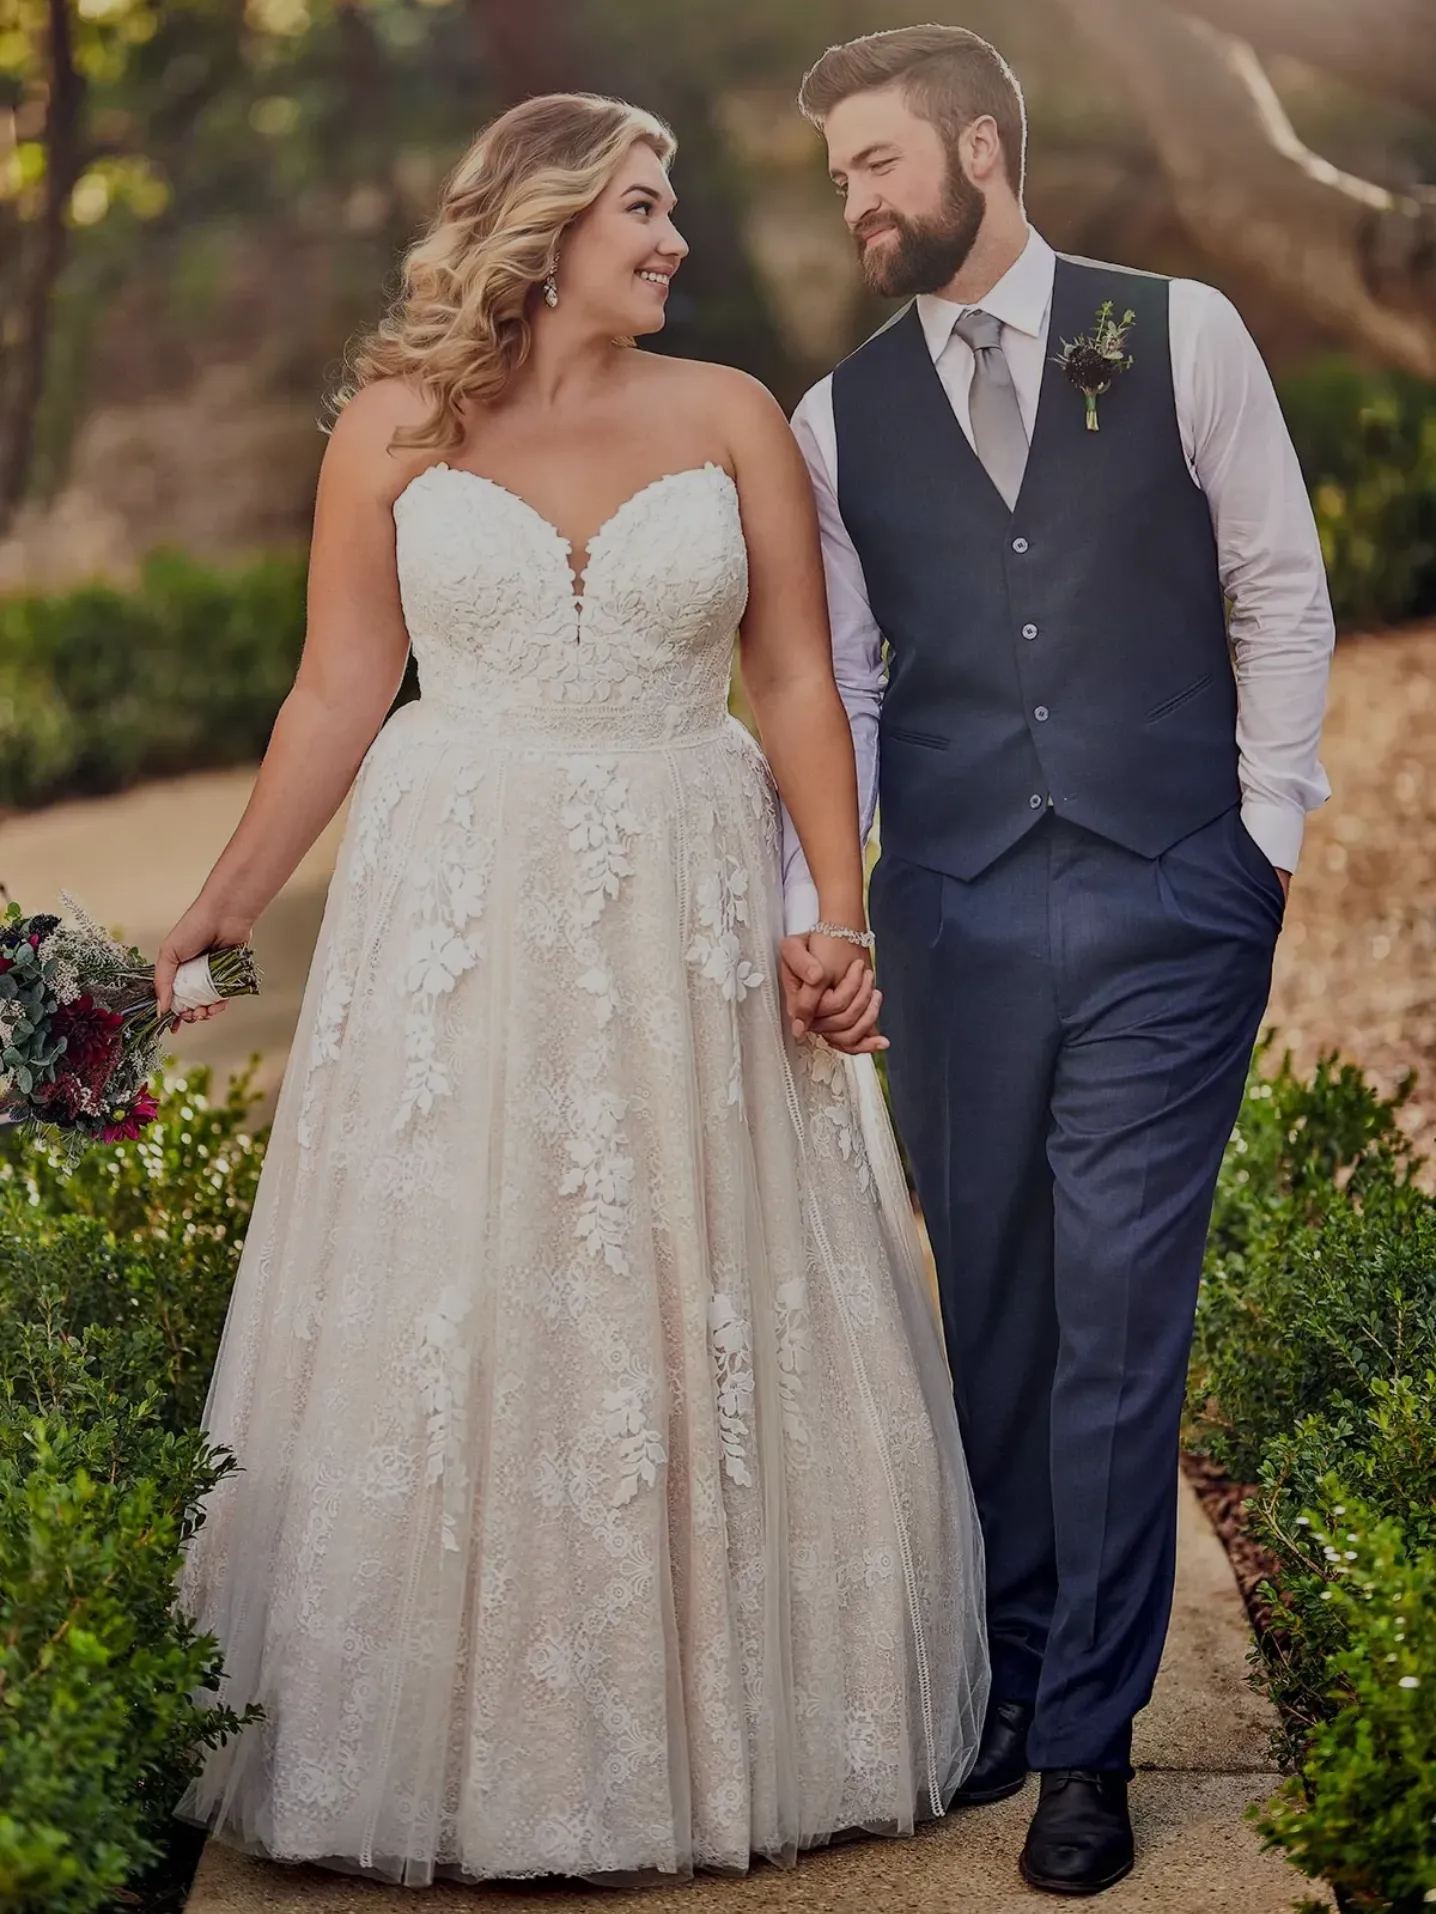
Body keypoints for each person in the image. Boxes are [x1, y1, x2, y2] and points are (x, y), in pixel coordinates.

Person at [158, 92, 987, 1886]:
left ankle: (717, 1716)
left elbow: (792, 682)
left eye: (673, 202)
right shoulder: (392, 428)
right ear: (540, 225)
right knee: (474, 1287)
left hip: (685, 898)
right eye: (643, 201)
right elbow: (333, 693)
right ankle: (469, 1743)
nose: (675, 233)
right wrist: (214, 911)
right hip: (461, 902)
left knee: (691, 1278)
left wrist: (834, 911)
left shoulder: (729, 416)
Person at [781, 25, 1334, 1898]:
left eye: (874, 162)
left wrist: (1260, 843)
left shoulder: (1176, 331)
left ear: (982, 152)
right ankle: (1021, 1676)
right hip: (951, 910)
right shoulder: (833, 416)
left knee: (1114, 1309)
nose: (853, 199)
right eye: (840, 174)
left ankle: (1085, 1745)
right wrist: (827, 907)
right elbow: (843, 688)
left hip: (1172, 898)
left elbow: (1277, 582)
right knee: (997, 1309)